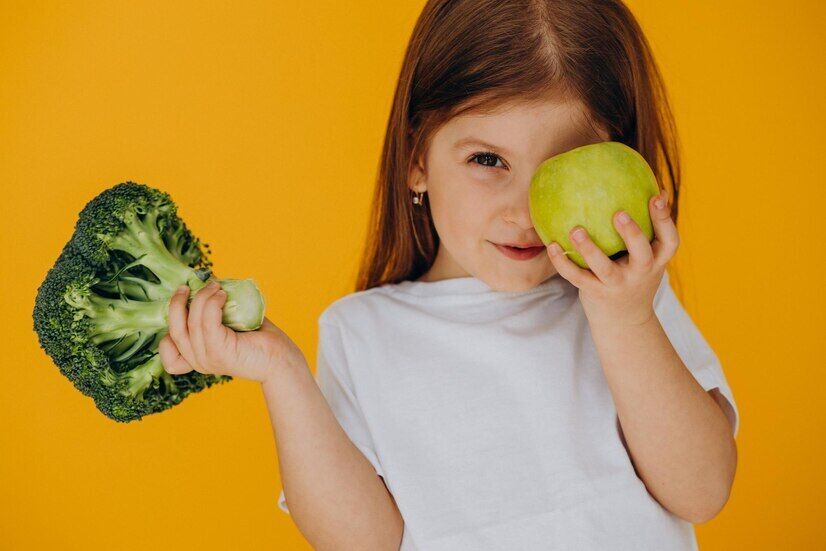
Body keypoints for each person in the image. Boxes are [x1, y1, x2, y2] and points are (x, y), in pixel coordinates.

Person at [159, 0, 739, 548]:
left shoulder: (626, 298)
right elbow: (363, 541)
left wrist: (626, 317)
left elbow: (702, 491)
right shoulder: (364, 332)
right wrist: (283, 374)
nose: (526, 210)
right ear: (417, 160)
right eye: (488, 161)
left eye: (562, 166)